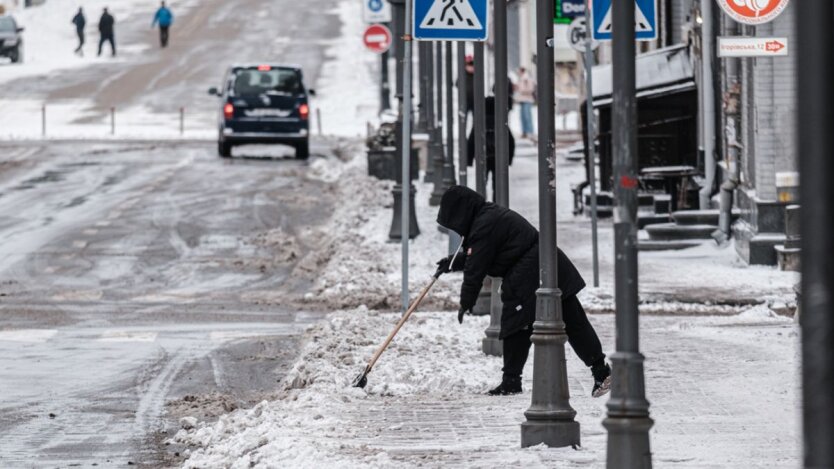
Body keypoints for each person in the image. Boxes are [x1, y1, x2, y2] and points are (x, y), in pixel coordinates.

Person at [435, 185, 612, 397]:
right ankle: (601, 370)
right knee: (571, 320)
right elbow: (481, 255)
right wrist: (452, 262)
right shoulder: (486, 217)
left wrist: (466, 302)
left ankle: (511, 381)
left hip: (530, 270)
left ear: (460, 212)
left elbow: (476, 267)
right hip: (545, 263)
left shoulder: (484, 225)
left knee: (516, 324)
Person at [466, 96, 515, 202]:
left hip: (483, 157)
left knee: (482, 183)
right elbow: (511, 141)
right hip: (498, 158)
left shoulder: (479, 123)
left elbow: (471, 141)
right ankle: (496, 204)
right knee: (497, 185)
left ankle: (482, 204)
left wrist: (469, 160)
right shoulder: (501, 123)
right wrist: (509, 159)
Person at [514, 67, 536, 139]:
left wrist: (520, 90)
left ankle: (530, 131)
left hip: (527, 99)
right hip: (522, 100)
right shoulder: (520, 79)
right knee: (522, 117)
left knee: (527, 116)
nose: (518, 73)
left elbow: (530, 89)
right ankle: (524, 131)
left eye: (519, 71)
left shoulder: (527, 79)